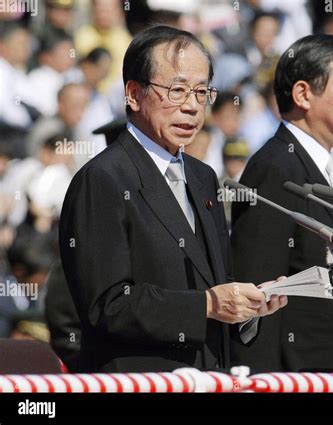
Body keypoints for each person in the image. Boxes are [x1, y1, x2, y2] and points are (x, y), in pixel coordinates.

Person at [59, 25, 287, 373]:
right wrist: (206, 305)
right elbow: (107, 306)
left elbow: (213, 285)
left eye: (201, 92)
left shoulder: (202, 176)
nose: (193, 107)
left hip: (208, 376)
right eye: (177, 91)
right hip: (141, 379)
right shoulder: (103, 178)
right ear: (133, 94)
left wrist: (245, 309)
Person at [231, 34, 333, 373]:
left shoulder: (331, 168)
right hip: (301, 378)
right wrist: (262, 384)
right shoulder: (274, 169)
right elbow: (257, 297)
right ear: (303, 94)